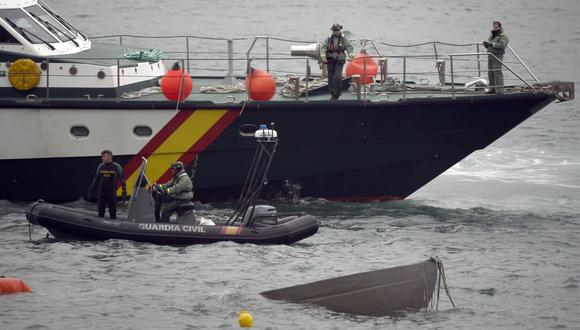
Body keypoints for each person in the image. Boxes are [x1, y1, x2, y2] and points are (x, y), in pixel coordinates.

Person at [89, 150, 127, 219]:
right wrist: (91, 191)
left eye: (104, 156)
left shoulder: (117, 167)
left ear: (109, 157)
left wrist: (124, 193)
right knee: (100, 214)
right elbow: (96, 179)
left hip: (111, 194)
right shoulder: (100, 166)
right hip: (101, 194)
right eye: (102, 157)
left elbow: (123, 180)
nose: (102, 158)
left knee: (113, 215)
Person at [320, 23, 354, 100]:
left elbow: (349, 46)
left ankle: (337, 93)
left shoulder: (343, 39)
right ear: (332, 31)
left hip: (339, 60)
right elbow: (323, 48)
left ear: (339, 30)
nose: (335, 32)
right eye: (334, 30)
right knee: (330, 77)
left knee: (337, 77)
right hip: (330, 60)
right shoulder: (328, 39)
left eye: (337, 30)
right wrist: (323, 57)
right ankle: (332, 94)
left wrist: (351, 55)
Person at [483, 21, 509, 94]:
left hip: (497, 56)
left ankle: (499, 90)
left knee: (497, 73)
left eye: (496, 27)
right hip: (490, 55)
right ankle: (492, 88)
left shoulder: (503, 36)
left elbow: (502, 45)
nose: (495, 28)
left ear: (500, 27)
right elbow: (490, 44)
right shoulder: (492, 35)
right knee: (490, 73)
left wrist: (492, 44)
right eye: (494, 27)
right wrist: (486, 44)